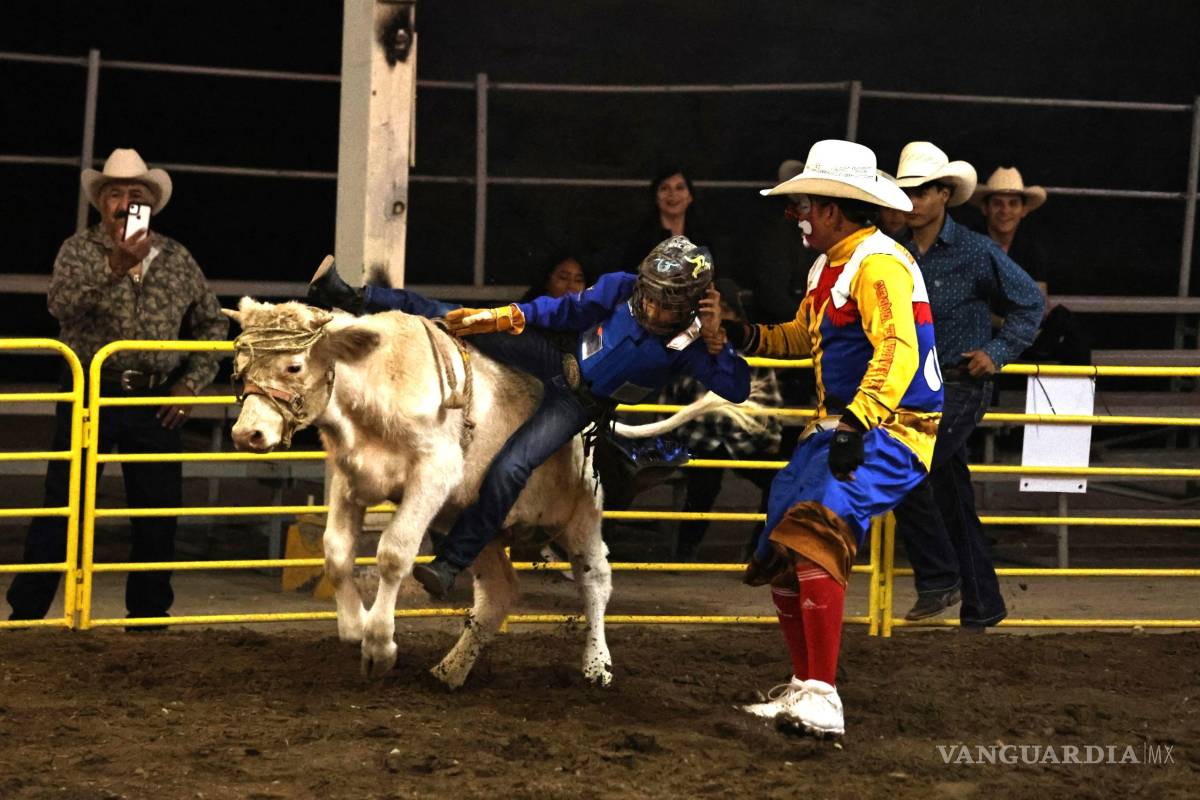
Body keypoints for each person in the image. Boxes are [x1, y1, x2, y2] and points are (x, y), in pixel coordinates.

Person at [307, 235, 751, 599]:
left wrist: (716, 343)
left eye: (666, 304)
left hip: (579, 402)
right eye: (650, 298)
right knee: (455, 317)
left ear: (695, 303)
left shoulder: (694, 343)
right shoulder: (621, 287)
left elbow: (736, 387)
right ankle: (354, 296)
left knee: (513, 465)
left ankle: (450, 562)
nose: (653, 310)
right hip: (555, 356)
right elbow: (566, 310)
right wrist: (507, 315)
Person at [725, 139, 941, 738]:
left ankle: (821, 694)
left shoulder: (879, 263)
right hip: (844, 427)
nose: (797, 216)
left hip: (889, 428)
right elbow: (802, 336)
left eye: (805, 206)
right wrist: (745, 336)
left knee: (814, 528)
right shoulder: (835, 265)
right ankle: (806, 688)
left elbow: (899, 348)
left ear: (833, 209)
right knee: (786, 540)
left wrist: (857, 420)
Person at [6, 148, 228, 626]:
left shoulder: (176, 257)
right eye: (115, 193)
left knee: (158, 508)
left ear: (151, 203)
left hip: (155, 395)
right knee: (64, 500)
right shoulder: (79, 250)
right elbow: (60, 307)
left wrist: (189, 385)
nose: (125, 202)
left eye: (135, 194)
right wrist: (114, 266)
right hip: (91, 390)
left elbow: (212, 325)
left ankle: (148, 617)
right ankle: (26, 614)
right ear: (100, 203)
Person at [889, 143, 1044, 631]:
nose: (912, 201)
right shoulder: (898, 255)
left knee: (908, 462)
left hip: (959, 383)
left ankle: (938, 577)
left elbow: (1029, 304)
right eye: (906, 192)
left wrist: (995, 354)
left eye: (920, 192)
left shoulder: (976, 251)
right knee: (953, 497)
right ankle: (984, 603)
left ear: (943, 194)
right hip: (921, 386)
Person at [658, 278, 782, 562]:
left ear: (737, 316)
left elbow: (770, 406)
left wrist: (770, 442)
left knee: (778, 479)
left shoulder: (749, 354)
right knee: (704, 484)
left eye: (725, 310)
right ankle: (684, 554)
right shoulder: (687, 349)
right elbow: (668, 403)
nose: (719, 317)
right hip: (698, 440)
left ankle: (758, 551)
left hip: (744, 441)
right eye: (712, 310)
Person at [971, 167, 1090, 365]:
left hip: (1023, 333)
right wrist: (1005, 324)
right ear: (985, 208)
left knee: (1068, 324)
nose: (1005, 211)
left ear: (1023, 210)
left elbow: (1039, 302)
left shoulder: (1031, 249)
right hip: (985, 333)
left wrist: (1027, 325)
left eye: (1013, 204)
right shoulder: (972, 245)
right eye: (997, 204)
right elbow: (967, 305)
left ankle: (1077, 395)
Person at [620, 167, 717, 271]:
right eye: (664, 188)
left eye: (679, 188)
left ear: (690, 197)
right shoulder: (637, 240)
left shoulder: (705, 240)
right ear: (655, 197)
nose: (672, 194)